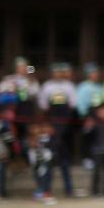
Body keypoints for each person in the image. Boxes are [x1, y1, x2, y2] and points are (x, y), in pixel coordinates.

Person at [38, 62, 76, 197]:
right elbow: (43, 106)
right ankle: (45, 189)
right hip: (52, 128)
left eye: (60, 72)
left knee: (65, 161)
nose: (58, 74)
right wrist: (47, 127)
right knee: (49, 160)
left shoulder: (69, 86)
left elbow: (72, 105)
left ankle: (69, 189)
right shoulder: (47, 86)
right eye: (55, 72)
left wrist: (64, 127)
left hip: (65, 128)